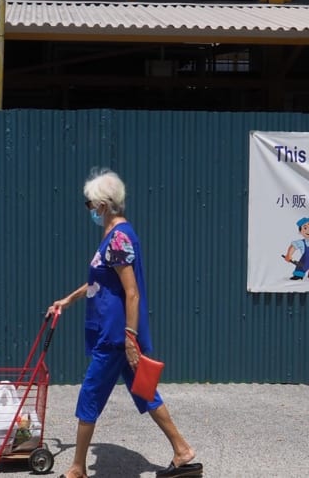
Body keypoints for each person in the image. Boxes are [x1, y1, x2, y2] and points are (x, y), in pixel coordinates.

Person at [46, 168, 202, 478]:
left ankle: (77, 468)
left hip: (115, 336)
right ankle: (182, 450)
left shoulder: (117, 237)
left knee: (90, 394)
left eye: (90, 204)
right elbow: (100, 282)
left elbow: (132, 293)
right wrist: (68, 299)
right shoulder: (113, 236)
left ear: (103, 204)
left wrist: (129, 337)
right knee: (145, 391)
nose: (89, 210)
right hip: (116, 332)